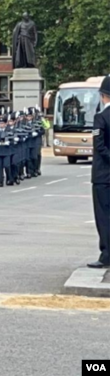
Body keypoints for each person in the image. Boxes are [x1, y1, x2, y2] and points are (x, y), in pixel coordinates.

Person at [87, 74, 110, 269]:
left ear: (104, 96)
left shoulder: (100, 117)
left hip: (103, 175)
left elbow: (99, 146)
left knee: (103, 215)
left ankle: (106, 254)